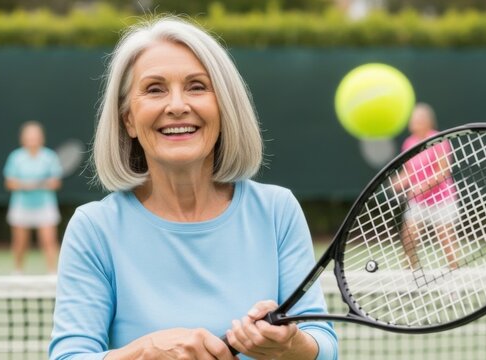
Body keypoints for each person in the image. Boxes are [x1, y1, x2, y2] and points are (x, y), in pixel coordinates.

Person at [49, 17, 338, 360]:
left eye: (197, 86)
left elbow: (323, 345)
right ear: (128, 119)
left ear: (223, 107)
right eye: (155, 89)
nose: (176, 105)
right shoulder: (94, 228)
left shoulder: (277, 210)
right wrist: (144, 352)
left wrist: (291, 345)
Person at [394, 103, 459, 269]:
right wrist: (400, 181)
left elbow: (443, 171)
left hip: (442, 200)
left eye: (417, 119)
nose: (413, 122)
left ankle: (455, 283)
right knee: (408, 239)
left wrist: (423, 186)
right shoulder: (409, 143)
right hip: (418, 202)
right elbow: (409, 171)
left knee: (446, 241)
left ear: (427, 121)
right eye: (412, 119)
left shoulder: (438, 140)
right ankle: (412, 278)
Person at [3, 121, 62, 274]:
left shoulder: (50, 157)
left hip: (45, 205)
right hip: (21, 206)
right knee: (20, 242)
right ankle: (17, 271)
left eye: (35, 136)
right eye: (29, 136)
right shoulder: (15, 157)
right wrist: (25, 185)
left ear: (41, 138)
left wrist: (42, 185)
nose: (32, 139)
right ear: (23, 138)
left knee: (49, 240)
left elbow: (56, 182)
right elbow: (9, 183)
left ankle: (52, 272)